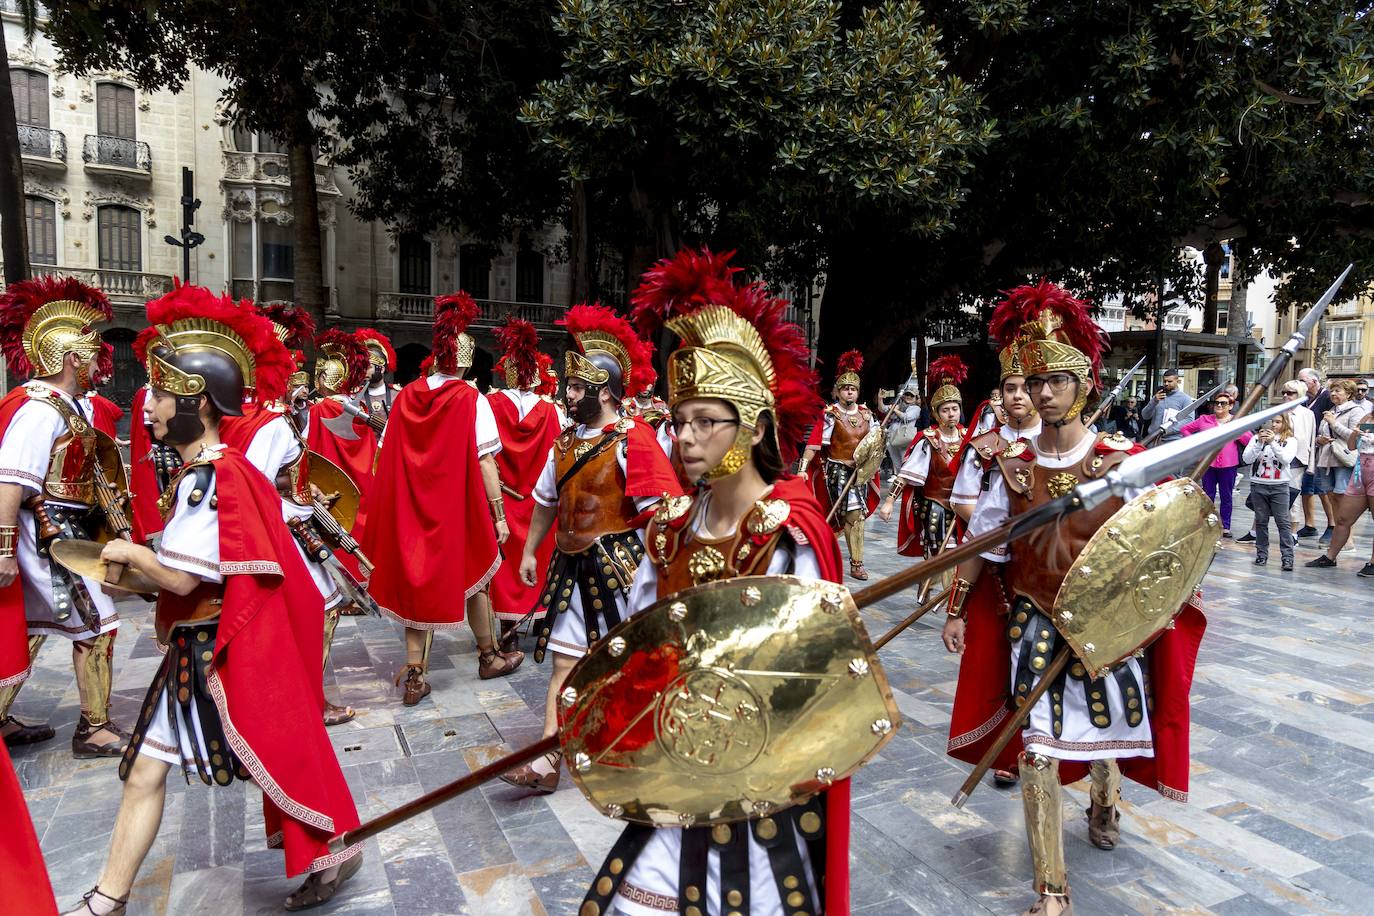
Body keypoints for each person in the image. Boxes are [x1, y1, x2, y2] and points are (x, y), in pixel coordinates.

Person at [576, 245, 850, 916]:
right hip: (674, 771)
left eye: (706, 421)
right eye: (679, 420)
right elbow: (635, 644)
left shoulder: (788, 533)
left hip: (754, 786)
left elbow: (817, 683)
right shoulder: (667, 528)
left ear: (754, 425)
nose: (687, 438)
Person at [65, 296, 362, 915]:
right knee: (149, 768)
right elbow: (191, 577)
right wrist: (127, 569)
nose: (145, 404)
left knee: (272, 757)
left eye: (159, 393)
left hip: (218, 654)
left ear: (197, 401)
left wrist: (127, 552)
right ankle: (107, 898)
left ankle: (336, 845)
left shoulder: (212, 477)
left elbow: (178, 581)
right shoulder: (214, 470)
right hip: (196, 648)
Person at [940, 281, 1205, 916]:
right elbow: (986, 542)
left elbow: (1156, 542)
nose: (1043, 393)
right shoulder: (1014, 467)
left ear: (1083, 383)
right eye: (1035, 383)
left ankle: (1105, 798)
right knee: (1039, 745)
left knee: (1106, 728)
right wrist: (956, 607)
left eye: (1056, 380)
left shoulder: (1122, 460)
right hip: (1033, 623)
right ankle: (1051, 889)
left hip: (1107, 625)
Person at [499, 302, 679, 794]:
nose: (568, 394)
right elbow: (544, 500)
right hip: (570, 567)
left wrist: (657, 571)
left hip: (619, 570)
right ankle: (547, 759)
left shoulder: (632, 440)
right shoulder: (564, 443)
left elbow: (661, 510)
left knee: (627, 661)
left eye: (577, 387)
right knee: (564, 662)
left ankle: (637, 745)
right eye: (569, 385)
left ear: (604, 392)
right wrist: (532, 551)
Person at [362, 291, 523, 705]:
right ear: (466, 363)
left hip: (411, 512)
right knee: (478, 579)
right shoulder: (473, 400)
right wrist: (500, 515)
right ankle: (489, 657)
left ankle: (415, 676)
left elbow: (388, 455)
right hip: (458, 512)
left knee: (417, 588)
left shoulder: (406, 397)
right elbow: (487, 463)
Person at [0, 276, 128, 756]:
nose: (100, 364)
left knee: (36, 625)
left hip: (62, 529)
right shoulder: (39, 409)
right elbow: (10, 480)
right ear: (72, 358)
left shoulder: (65, 406)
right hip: (45, 534)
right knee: (96, 626)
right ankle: (93, 729)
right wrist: (5, 551)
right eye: (94, 354)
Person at [220, 302, 358, 726]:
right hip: (278, 533)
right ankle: (305, 702)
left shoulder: (240, 417)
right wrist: (295, 508)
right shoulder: (271, 424)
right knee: (325, 606)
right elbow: (253, 486)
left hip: (262, 530)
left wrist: (301, 487)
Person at [486, 318, 563, 634]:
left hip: (501, 501)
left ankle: (507, 628)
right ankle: (540, 617)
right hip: (539, 503)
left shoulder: (489, 404)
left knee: (506, 565)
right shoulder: (552, 410)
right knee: (540, 559)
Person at [878, 356, 968, 561]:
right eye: (945, 410)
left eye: (954, 409)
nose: (951, 414)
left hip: (963, 509)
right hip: (936, 507)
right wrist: (889, 502)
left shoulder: (968, 438)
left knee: (959, 563)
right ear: (936, 414)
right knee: (937, 561)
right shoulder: (928, 440)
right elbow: (906, 475)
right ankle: (925, 594)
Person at [799, 350, 880, 580]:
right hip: (837, 470)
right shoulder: (830, 414)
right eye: (845, 388)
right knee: (853, 515)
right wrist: (803, 469)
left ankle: (841, 557)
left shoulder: (867, 415)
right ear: (837, 390)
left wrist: (870, 460)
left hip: (860, 471)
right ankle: (856, 564)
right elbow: (814, 445)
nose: (849, 392)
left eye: (853, 388)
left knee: (855, 517)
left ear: (858, 391)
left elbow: (875, 444)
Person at [1306, 381, 1374, 573]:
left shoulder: (1356, 410)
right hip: (1361, 471)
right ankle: (1330, 556)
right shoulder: (1367, 416)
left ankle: (1373, 563)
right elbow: (1353, 445)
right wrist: (1357, 431)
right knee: (1343, 518)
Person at [306, 329, 378, 500]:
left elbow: (306, 447)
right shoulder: (360, 407)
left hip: (329, 484)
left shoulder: (320, 409)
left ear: (324, 378)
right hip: (360, 482)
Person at [1178, 394, 1251, 536]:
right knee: (1207, 495)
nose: (1218, 405)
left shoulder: (1236, 421)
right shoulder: (1204, 419)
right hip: (1208, 463)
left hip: (1229, 464)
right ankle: (1206, 524)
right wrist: (1197, 446)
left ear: (1230, 406)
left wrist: (1237, 433)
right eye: (1216, 403)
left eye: (1223, 403)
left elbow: (1249, 440)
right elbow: (1184, 429)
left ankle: (1225, 526)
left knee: (1226, 496)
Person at [1242, 415, 1298, 570]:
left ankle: (1287, 557)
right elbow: (1246, 459)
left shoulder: (1290, 440)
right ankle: (1261, 554)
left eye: (1278, 422)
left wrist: (1273, 442)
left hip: (1279, 486)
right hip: (1258, 485)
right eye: (1272, 422)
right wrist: (1259, 443)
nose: (1274, 425)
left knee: (1283, 522)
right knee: (1261, 521)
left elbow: (1286, 459)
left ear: (1285, 423)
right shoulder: (1255, 439)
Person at [1296, 367, 1333, 539]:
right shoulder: (1302, 399)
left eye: (1303, 380)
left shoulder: (1326, 397)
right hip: (1307, 450)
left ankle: (1332, 524)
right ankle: (1310, 524)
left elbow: (1331, 422)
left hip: (1323, 450)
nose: (1300, 383)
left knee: (1322, 488)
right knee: (1306, 488)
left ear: (1315, 382)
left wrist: (1321, 438)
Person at [355, 328, 400, 431]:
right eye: (363, 368)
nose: (364, 371)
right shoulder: (355, 396)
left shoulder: (397, 395)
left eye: (369, 367)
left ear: (382, 369)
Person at [1139, 371, 1192, 442]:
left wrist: (1167, 429)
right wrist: (1154, 401)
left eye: (1170, 381)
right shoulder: (1158, 396)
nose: (1166, 384)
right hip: (1153, 439)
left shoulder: (1185, 399)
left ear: (1178, 381)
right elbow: (1145, 416)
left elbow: (1189, 420)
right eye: (1164, 381)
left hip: (1173, 440)